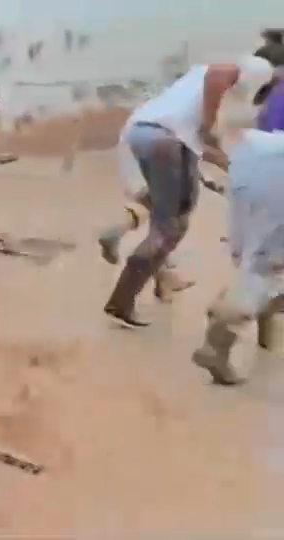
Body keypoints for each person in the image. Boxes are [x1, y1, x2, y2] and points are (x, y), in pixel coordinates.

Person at [102, 54, 279, 328]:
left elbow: (199, 142)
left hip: (140, 132)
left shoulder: (197, 76)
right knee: (170, 227)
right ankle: (122, 300)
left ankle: (156, 281)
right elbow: (205, 134)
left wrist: (227, 166)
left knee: (166, 216)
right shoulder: (222, 76)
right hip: (166, 141)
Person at [191, 127, 284, 384]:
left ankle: (227, 307)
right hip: (273, 177)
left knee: (256, 263)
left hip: (249, 161)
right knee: (267, 270)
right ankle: (217, 343)